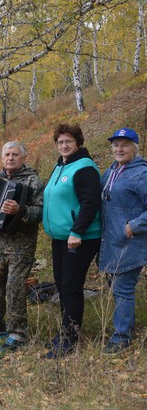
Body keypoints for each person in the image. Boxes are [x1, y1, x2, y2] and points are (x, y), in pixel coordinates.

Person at [0, 141, 44, 352]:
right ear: (2, 157)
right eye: (7, 154)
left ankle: (17, 332)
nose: (11, 158)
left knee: (15, 289)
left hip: (20, 246)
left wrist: (20, 210)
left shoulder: (33, 180)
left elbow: (41, 213)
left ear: (23, 157)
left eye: (15, 154)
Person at [42, 124, 101, 358]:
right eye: (60, 142)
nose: (64, 145)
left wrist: (77, 231)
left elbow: (90, 203)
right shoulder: (60, 165)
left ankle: (69, 340)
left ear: (78, 142)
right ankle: (66, 330)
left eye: (68, 141)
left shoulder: (85, 167)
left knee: (71, 287)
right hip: (60, 239)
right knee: (61, 286)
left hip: (80, 239)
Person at [99, 128, 147, 354]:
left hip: (130, 243)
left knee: (123, 290)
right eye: (116, 145)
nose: (119, 149)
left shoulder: (141, 173)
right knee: (116, 289)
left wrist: (133, 226)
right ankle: (126, 327)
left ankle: (121, 338)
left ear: (135, 148)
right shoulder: (110, 172)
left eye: (125, 145)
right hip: (110, 242)